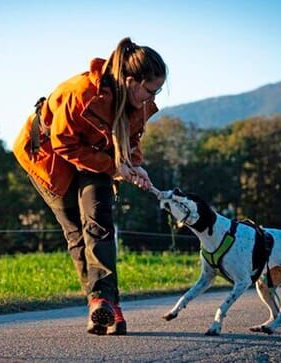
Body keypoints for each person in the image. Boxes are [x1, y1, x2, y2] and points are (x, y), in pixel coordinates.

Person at [13, 37, 167, 335]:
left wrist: (134, 166)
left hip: (95, 156)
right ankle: (105, 303)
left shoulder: (138, 102)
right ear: (131, 81)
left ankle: (103, 302)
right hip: (51, 157)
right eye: (151, 90)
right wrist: (115, 167)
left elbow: (131, 140)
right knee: (77, 233)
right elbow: (64, 144)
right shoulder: (80, 93)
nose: (153, 97)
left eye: (157, 91)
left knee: (99, 223)